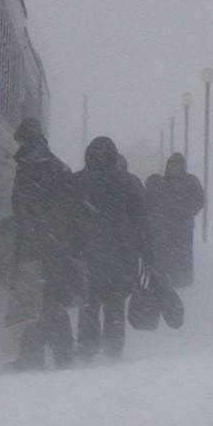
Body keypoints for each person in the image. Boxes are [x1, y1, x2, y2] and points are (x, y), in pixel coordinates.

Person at [5, 118, 82, 370]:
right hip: (56, 242)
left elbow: (27, 209)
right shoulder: (55, 164)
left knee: (37, 301)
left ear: (24, 140)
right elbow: (67, 206)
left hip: (38, 243)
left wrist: (28, 242)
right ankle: (59, 353)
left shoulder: (31, 165)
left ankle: (35, 357)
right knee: (50, 298)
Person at [73, 136, 153, 361]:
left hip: (87, 254)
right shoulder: (128, 182)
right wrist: (148, 256)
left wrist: (68, 250)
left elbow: (66, 220)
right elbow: (142, 222)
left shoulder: (78, 181)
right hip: (120, 256)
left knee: (88, 304)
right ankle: (113, 349)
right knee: (115, 304)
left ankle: (87, 348)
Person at [150, 153, 204, 288]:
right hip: (168, 226)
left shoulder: (189, 181)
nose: (174, 168)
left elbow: (199, 200)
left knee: (182, 254)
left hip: (182, 226)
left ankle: (182, 280)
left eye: (177, 165)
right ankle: (170, 278)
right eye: (172, 165)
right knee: (169, 253)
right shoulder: (164, 182)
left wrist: (186, 212)